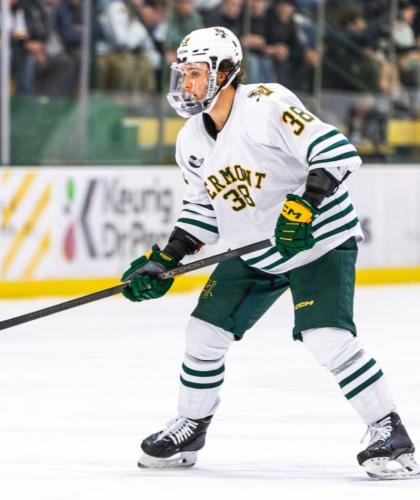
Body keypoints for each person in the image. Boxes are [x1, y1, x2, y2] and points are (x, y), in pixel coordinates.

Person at [120, 26, 420, 479]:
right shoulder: (191, 141)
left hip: (317, 242)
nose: (186, 84)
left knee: (326, 337)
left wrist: (305, 206)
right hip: (255, 250)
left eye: (196, 74)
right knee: (203, 334)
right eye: (183, 74)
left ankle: (390, 432)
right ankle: (191, 427)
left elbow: (335, 151)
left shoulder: (266, 104)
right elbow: (204, 210)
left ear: (225, 72)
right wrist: (166, 258)